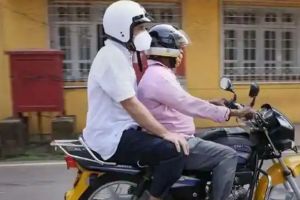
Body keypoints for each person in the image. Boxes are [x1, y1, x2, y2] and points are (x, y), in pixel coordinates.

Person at [82, 2, 189, 200]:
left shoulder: (120, 55)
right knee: (174, 151)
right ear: (122, 29)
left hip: (118, 131)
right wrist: (165, 133)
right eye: (139, 28)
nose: (144, 33)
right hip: (112, 137)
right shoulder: (112, 57)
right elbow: (131, 104)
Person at [137, 24, 255, 200]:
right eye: (178, 47)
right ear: (166, 49)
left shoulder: (158, 73)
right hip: (177, 141)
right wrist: (233, 113)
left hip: (174, 137)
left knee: (213, 139)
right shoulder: (159, 76)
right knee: (228, 155)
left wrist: (211, 103)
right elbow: (188, 104)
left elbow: (179, 103)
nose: (181, 53)